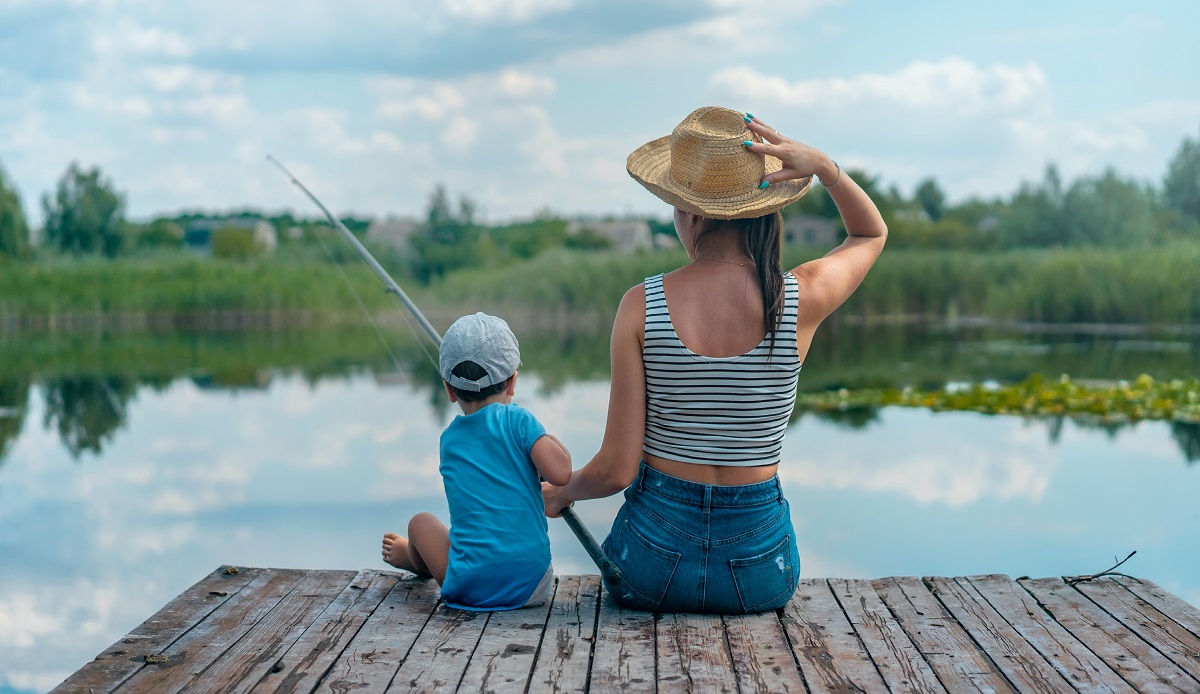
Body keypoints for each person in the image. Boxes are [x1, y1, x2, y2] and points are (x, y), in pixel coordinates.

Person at [542, 106, 887, 613]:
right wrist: (824, 168)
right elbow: (870, 234)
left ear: (693, 214)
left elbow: (616, 470)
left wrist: (563, 492)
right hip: (760, 572)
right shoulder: (801, 298)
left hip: (650, 569)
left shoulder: (642, 304)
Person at [383, 312, 572, 611]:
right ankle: (419, 560)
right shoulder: (521, 422)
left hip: (468, 587)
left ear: (448, 389)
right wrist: (540, 432)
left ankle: (415, 559)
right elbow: (561, 473)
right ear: (512, 383)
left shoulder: (449, 441)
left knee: (420, 523)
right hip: (532, 585)